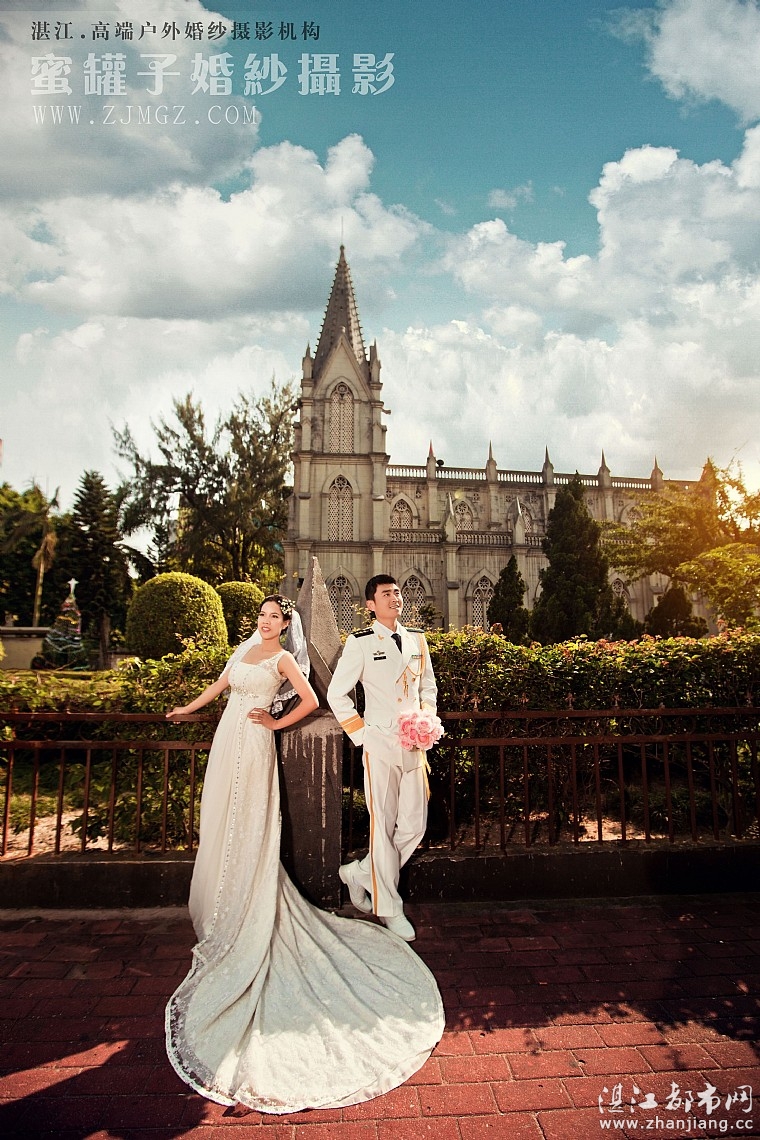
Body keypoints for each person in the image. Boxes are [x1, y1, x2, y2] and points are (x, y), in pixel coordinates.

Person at [164, 594, 443, 1113]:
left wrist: (275, 724)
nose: (267, 622)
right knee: (222, 817)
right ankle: (375, 897)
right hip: (238, 740)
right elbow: (222, 686)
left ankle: (358, 878)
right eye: (263, 615)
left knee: (412, 825)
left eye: (275, 617)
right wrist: (187, 710)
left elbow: (321, 697)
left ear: (285, 624)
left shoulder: (289, 657)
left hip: (296, 742)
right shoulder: (251, 649)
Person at [327, 575, 437, 943]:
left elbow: (427, 687)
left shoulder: (417, 639)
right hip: (380, 746)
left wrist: (427, 717)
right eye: (386, 594)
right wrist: (362, 735)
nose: (395, 598)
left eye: (398, 592)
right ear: (371, 604)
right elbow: (337, 694)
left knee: (415, 825)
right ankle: (389, 908)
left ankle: (360, 873)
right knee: (383, 825)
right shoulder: (360, 642)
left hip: (414, 745)